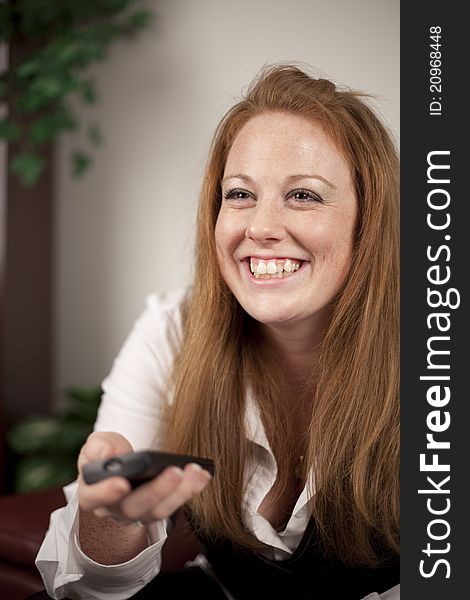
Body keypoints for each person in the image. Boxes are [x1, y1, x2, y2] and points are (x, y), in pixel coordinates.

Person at [35, 64, 400, 599]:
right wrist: (108, 517)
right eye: (240, 194)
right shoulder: (171, 331)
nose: (260, 228)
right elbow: (88, 590)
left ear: (369, 226)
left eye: (304, 195)